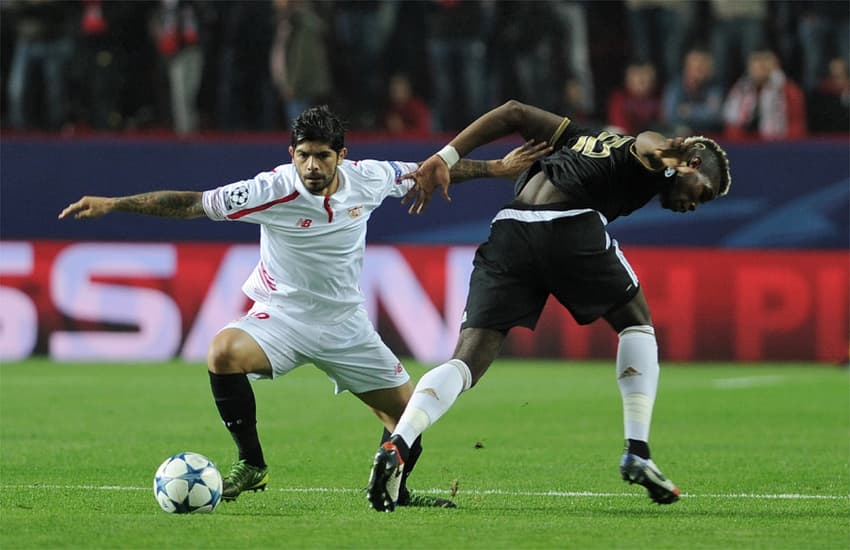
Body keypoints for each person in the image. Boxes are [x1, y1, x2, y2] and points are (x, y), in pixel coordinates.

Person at [58, 105, 547, 507]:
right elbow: (190, 202)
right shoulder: (270, 190)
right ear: (291, 154)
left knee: (409, 416)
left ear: (341, 157)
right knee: (223, 351)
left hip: (345, 325)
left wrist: (496, 169)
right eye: (304, 156)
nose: (312, 167)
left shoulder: (370, 178)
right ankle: (252, 464)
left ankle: (395, 491)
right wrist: (114, 203)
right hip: (281, 317)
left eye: (322, 157)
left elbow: (433, 172)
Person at [366, 99, 732, 511]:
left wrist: (446, 156)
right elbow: (647, 144)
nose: (695, 204)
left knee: (467, 361)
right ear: (691, 162)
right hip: (570, 221)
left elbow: (514, 112)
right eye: (702, 192)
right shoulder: (656, 154)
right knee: (637, 324)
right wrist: (671, 153)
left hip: (510, 227)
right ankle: (638, 450)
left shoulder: (577, 137)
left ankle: (399, 444)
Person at [722, 48, 807, 140]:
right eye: (755, 64)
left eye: (763, 65)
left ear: (775, 66)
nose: (759, 68)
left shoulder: (789, 90)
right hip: (746, 145)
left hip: (779, 144)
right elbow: (732, 123)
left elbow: (796, 125)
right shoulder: (740, 89)